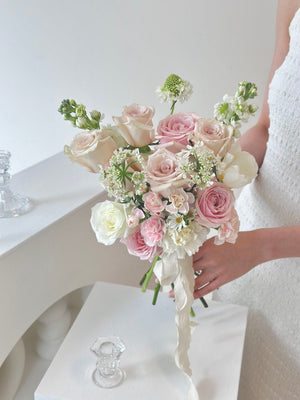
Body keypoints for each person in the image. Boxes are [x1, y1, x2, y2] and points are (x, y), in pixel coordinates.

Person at [193, 1, 300, 398]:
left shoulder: (253, 250)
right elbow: (268, 128)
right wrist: (206, 186)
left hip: (264, 254)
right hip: (244, 256)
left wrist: (258, 248)